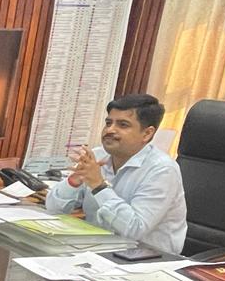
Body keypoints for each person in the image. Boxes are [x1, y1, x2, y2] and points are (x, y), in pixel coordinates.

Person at [45, 93, 187, 254]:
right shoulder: (97, 156)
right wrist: (73, 182)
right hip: (96, 250)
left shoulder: (162, 170)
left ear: (147, 133)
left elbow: (135, 230)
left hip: (145, 259)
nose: (110, 130)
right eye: (108, 123)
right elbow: (53, 209)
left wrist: (98, 186)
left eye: (123, 125)